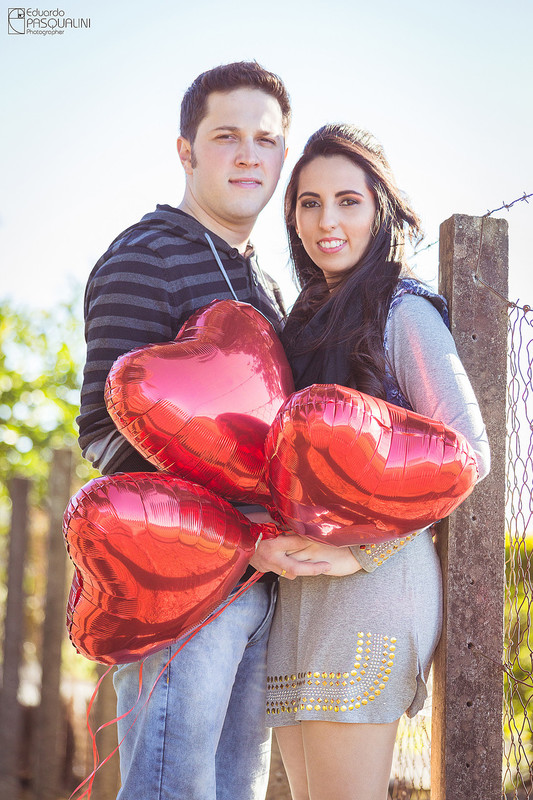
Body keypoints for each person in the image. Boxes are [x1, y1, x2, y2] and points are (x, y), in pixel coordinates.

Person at [77, 62, 332, 800]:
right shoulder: (144, 257)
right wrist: (233, 534)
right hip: (183, 586)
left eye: (266, 139)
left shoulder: (267, 284)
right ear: (186, 151)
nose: (249, 155)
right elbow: (102, 433)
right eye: (226, 136)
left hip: (264, 582)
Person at [264, 124, 491, 800]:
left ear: (380, 211)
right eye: (308, 203)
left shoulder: (402, 310)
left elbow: (467, 451)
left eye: (347, 201)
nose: (325, 222)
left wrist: (361, 552)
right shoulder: (302, 322)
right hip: (297, 595)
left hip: (373, 588)